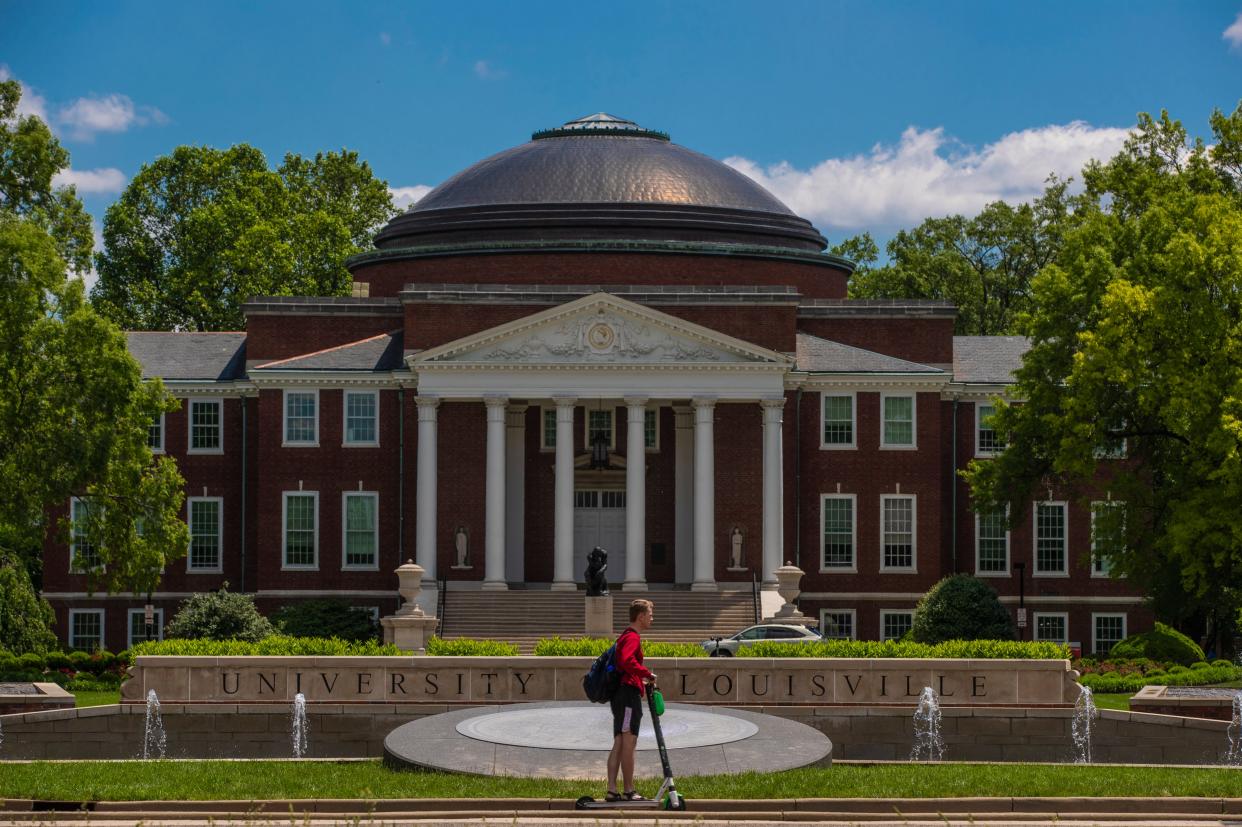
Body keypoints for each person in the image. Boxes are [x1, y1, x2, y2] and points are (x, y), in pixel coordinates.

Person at [605, 598, 656, 802]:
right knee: (628, 741)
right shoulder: (632, 637)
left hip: (621, 694)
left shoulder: (625, 636)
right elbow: (627, 661)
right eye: (650, 614)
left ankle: (612, 790)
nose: (652, 618)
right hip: (627, 696)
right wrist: (647, 674)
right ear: (641, 616)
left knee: (620, 740)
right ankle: (628, 790)